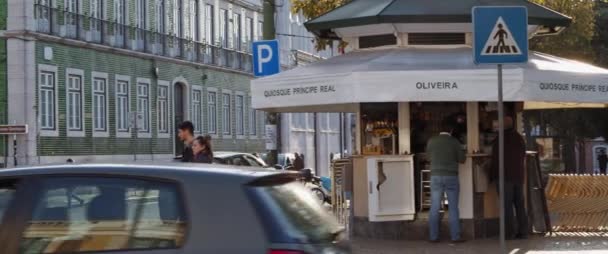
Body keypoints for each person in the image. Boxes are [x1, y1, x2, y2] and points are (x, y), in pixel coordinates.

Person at [426, 118, 466, 243]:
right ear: (451, 130)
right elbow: (462, 159)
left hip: (436, 176)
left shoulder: (431, 141)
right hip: (451, 177)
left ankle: (433, 237)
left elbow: (428, 158)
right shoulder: (454, 142)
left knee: (435, 207)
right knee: (453, 208)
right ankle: (455, 237)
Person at [490, 116, 528, 240]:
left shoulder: (499, 139)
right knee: (519, 205)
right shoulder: (519, 138)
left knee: (506, 206)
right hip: (518, 176)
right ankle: (523, 232)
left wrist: (492, 176)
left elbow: (495, 160)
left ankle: (508, 233)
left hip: (504, 177)